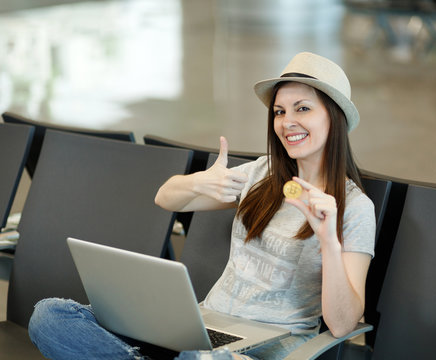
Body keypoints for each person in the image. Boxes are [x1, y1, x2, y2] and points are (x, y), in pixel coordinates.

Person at [28, 52, 375, 360]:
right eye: (280, 111)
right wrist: (200, 181)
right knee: (51, 315)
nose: (287, 122)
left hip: (271, 348)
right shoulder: (259, 174)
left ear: (334, 117)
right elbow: (165, 198)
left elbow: (343, 324)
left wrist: (328, 239)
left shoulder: (354, 208)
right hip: (203, 328)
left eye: (303, 108)